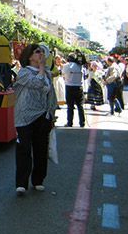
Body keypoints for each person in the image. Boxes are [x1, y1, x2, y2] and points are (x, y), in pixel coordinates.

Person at [13, 44, 57, 195]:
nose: (41, 55)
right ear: (29, 56)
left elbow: (51, 94)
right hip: (25, 116)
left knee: (41, 149)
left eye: (43, 52)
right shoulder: (24, 72)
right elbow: (36, 83)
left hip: (43, 115)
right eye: (38, 52)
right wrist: (42, 68)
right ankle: (21, 183)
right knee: (24, 149)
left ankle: (38, 180)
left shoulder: (48, 74)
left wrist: (51, 113)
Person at [62, 53, 86, 127]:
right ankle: (82, 122)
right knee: (80, 106)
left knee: (70, 106)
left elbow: (63, 75)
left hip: (69, 87)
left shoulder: (66, 66)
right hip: (79, 87)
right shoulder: (80, 66)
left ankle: (70, 123)